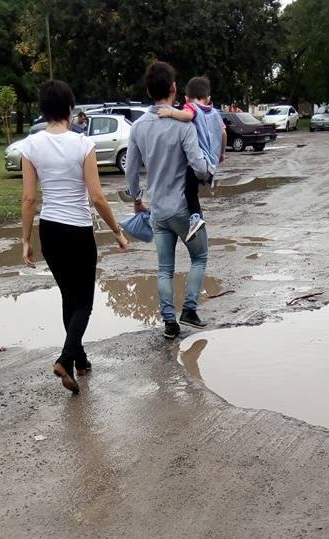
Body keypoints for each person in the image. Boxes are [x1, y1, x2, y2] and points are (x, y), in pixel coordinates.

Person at [20, 79, 128, 395]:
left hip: (50, 231)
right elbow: (96, 196)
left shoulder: (31, 146)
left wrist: (25, 239)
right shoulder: (83, 145)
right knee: (84, 303)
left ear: (43, 110)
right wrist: (118, 232)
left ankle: (80, 359)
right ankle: (66, 359)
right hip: (78, 231)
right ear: (70, 109)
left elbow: (29, 200)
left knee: (70, 296)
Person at [125, 61, 213, 340]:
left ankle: (169, 323)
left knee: (165, 268)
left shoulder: (138, 127)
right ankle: (188, 309)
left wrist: (137, 198)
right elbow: (198, 166)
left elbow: (130, 170)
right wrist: (209, 173)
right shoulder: (182, 124)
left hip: (157, 210)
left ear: (149, 90)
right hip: (183, 209)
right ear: (174, 88)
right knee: (200, 256)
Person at [157, 75, 227, 241]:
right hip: (211, 164)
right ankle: (206, 191)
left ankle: (195, 217)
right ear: (208, 98)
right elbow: (223, 133)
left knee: (188, 189)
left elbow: (187, 116)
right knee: (193, 185)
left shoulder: (191, 107)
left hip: (199, 162)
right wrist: (222, 154)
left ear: (187, 98)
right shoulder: (215, 113)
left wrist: (170, 112)